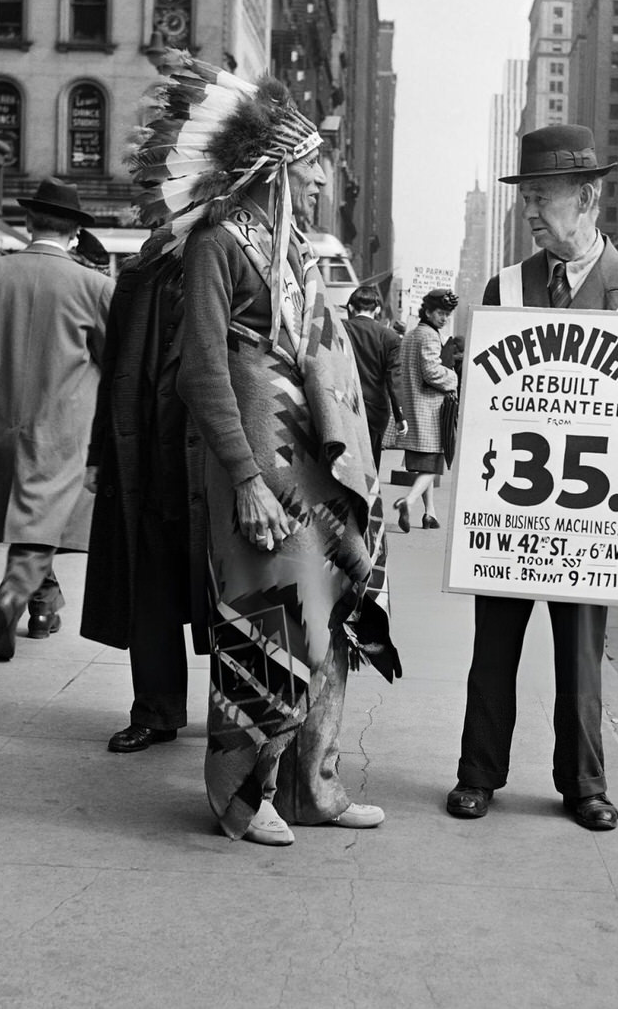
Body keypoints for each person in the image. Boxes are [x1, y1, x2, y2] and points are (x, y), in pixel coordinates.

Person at [136, 60, 397, 844]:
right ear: (276, 171)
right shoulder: (217, 243)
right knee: (267, 617)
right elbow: (200, 368)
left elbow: (324, 361)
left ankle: (315, 785)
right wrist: (246, 477)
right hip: (254, 464)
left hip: (307, 462)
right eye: (312, 173)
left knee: (331, 612)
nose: (321, 187)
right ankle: (243, 798)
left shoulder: (290, 255)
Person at [445, 122, 618, 834]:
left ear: (588, 200)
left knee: (581, 659)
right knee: (493, 651)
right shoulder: (504, 287)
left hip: (588, 518)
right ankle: (477, 774)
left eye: (542, 199)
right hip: (514, 509)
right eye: (526, 201)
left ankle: (584, 783)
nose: (530, 214)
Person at [0, 178, 113, 660]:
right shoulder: (95, 286)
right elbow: (111, 359)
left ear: (28, 223)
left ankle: (43, 604)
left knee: (30, 518)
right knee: (45, 518)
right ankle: (14, 593)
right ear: (76, 233)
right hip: (64, 428)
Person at [80, 248, 208, 754]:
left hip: (211, 462)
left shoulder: (240, 258)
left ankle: (236, 715)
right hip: (148, 464)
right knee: (149, 595)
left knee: (225, 600)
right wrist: (97, 454)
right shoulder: (138, 274)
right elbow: (113, 372)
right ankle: (155, 711)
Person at [394, 288, 459, 531]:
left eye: (447, 314)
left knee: (425, 464)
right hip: (430, 409)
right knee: (434, 464)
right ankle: (408, 502)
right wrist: (453, 377)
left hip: (413, 406)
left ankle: (429, 513)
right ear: (428, 311)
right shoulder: (430, 336)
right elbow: (432, 372)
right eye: (440, 313)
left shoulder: (411, 334)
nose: (444, 318)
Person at [343, 285, 407, 474]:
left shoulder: (340, 329)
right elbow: (394, 379)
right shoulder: (390, 337)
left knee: (345, 464)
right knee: (371, 465)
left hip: (344, 405)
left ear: (351, 308)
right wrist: (400, 415)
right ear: (377, 309)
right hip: (375, 412)